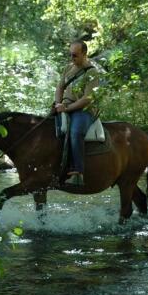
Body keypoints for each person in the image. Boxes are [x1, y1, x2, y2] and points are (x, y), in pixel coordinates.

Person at [53, 40, 100, 186]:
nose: (71, 58)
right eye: (70, 55)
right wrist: (57, 103)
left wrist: (66, 108)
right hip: (64, 106)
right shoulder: (68, 68)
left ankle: (78, 172)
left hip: (84, 111)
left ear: (85, 54)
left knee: (75, 132)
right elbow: (59, 88)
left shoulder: (92, 72)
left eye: (75, 55)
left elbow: (87, 99)